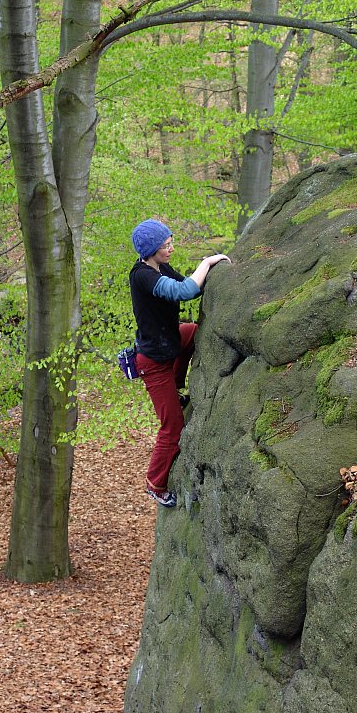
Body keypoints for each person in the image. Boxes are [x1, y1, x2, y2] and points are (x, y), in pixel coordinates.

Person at [129, 218, 230, 508]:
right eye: (165, 246)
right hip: (154, 362)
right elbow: (182, 292)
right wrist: (207, 262)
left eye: (170, 242)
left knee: (194, 333)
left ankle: (177, 385)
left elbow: (189, 288)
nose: (171, 248)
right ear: (150, 251)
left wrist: (202, 271)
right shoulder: (143, 276)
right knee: (172, 427)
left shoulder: (158, 267)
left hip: (170, 341)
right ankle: (155, 484)